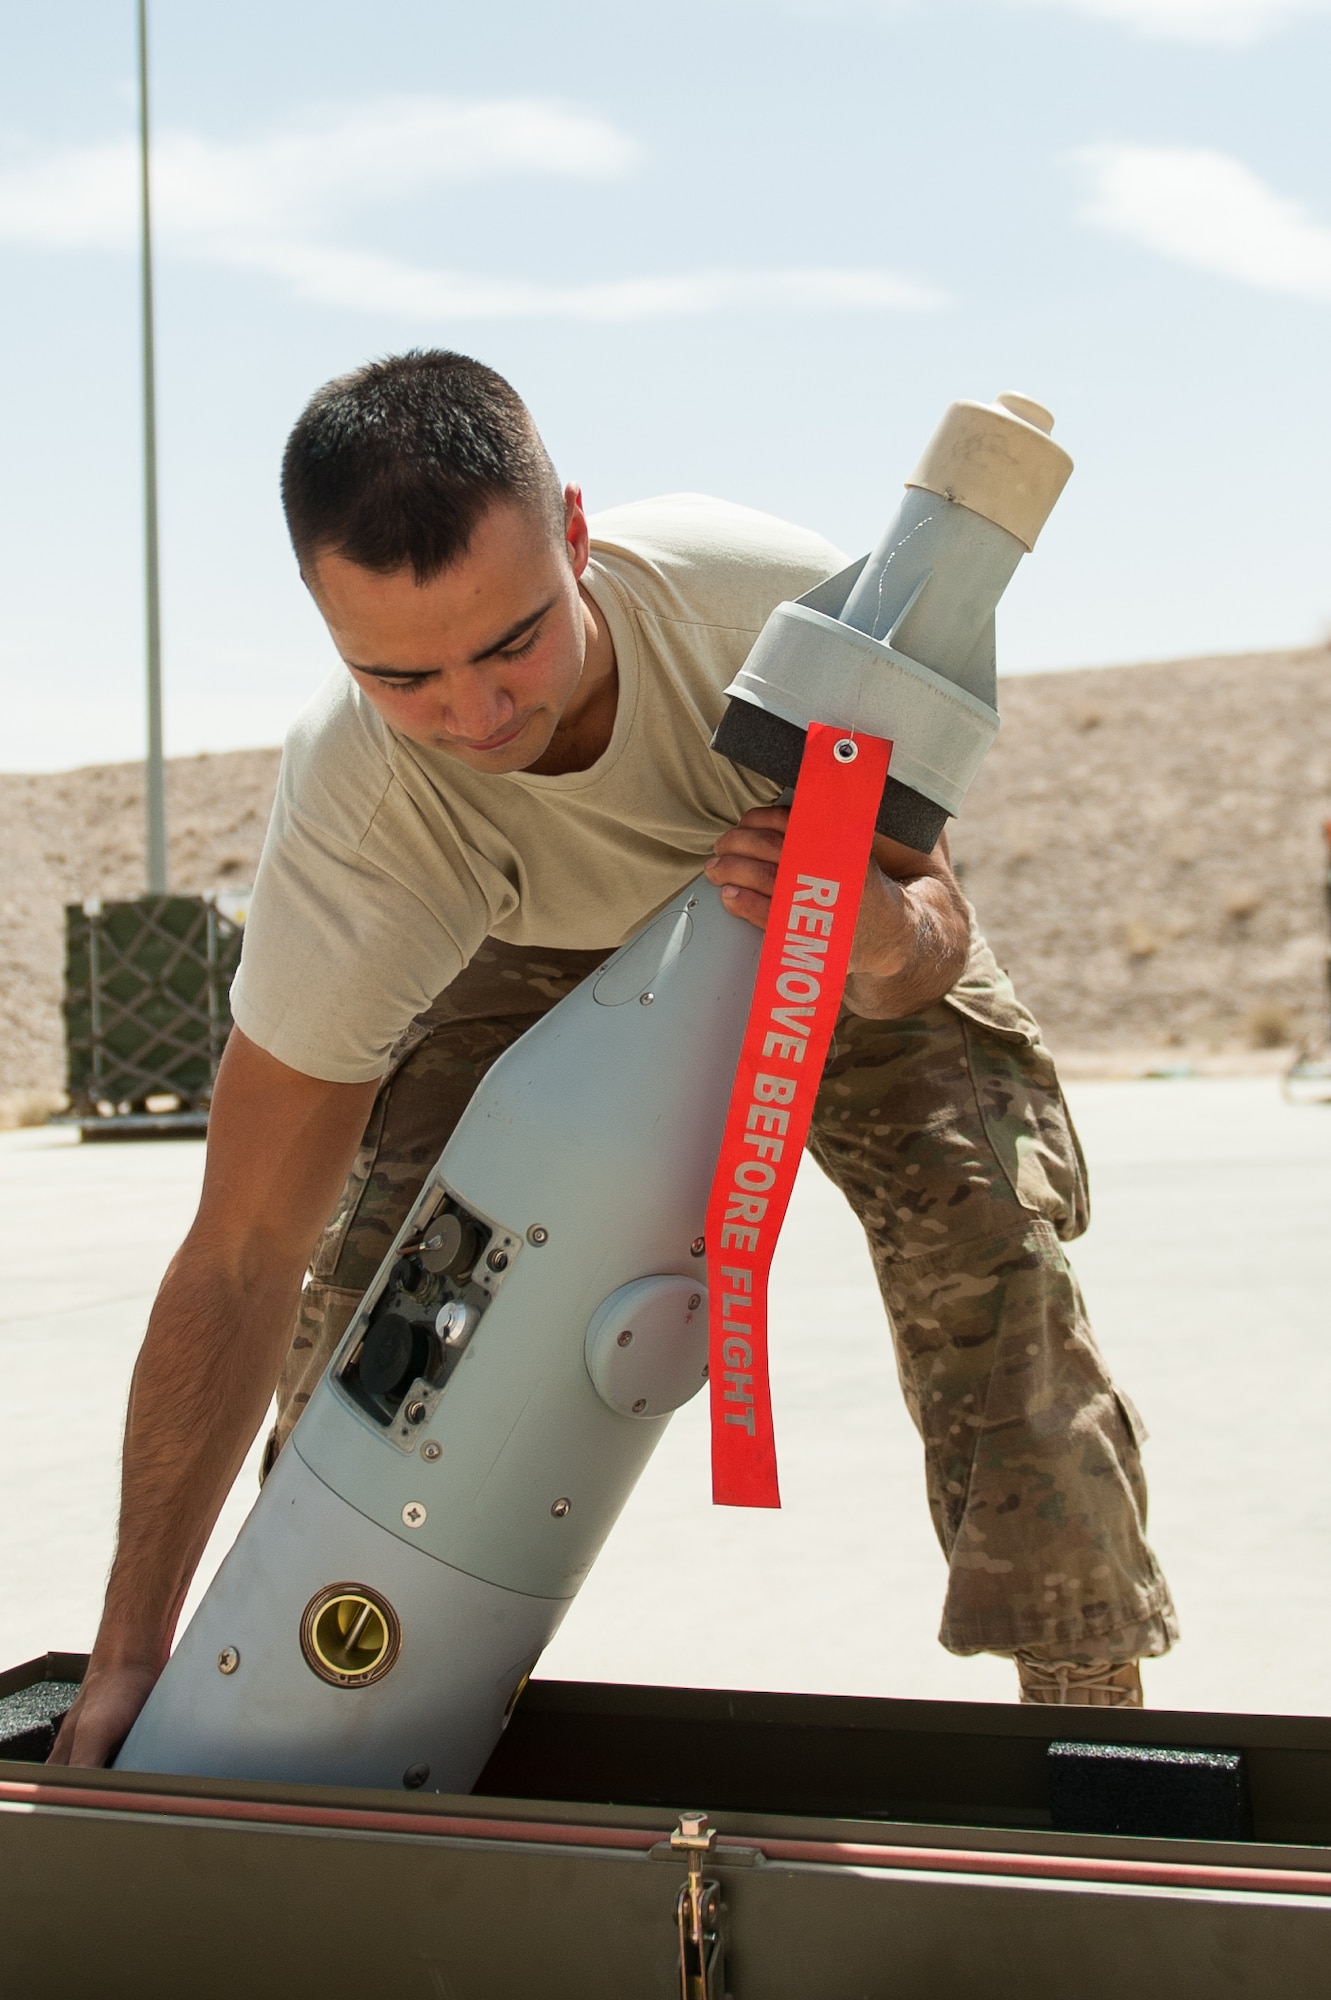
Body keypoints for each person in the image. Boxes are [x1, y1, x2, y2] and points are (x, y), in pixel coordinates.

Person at [52, 351, 1175, 1767]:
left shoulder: (758, 600)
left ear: (577, 536)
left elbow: (934, 914)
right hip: (519, 946)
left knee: (988, 1260)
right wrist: (133, 1646)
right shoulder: (360, 809)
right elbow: (237, 1252)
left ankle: (1098, 1748)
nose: (474, 716)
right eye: (401, 674)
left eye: (513, 641)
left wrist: (882, 941)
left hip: (818, 926)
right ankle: (292, 1734)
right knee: (365, 1317)